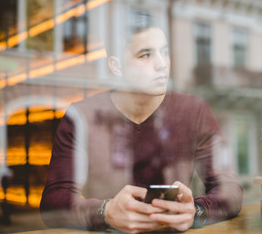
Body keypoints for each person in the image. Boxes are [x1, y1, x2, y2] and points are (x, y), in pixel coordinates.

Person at [40, 21, 243, 233]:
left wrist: (197, 211)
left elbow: (230, 190)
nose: (162, 64)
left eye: (165, 52)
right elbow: (54, 199)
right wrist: (105, 212)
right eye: (146, 55)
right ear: (116, 66)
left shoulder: (194, 110)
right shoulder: (82, 115)